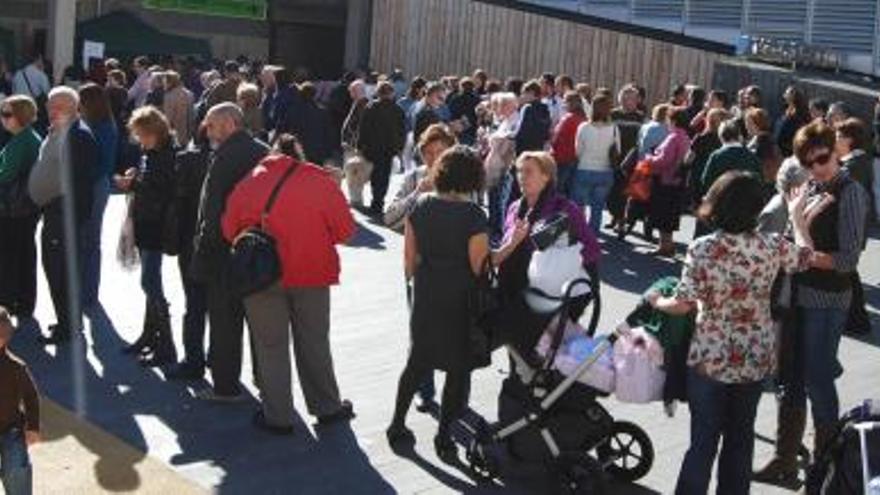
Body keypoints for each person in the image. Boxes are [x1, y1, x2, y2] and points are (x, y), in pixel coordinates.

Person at [651, 170, 815, 495]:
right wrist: (797, 217)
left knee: (703, 442)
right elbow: (805, 256)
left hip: (710, 355)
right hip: (755, 352)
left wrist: (656, 300)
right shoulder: (771, 246)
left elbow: (683, 304)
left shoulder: (702, 248)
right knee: (741, 438)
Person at [222, 141, 356, 434]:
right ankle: (327, 407)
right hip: (312, 271)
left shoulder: (249, 181)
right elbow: (346, 230)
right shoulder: (319, 181)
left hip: (262, 277)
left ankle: (278, 416)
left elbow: (229, 229)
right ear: (299, 156)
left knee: (270, 346)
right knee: (314, 341)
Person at [386, 145, 489, 462]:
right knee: (456, 370)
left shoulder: (420, 206)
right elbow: (478, 267)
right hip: (459, 299)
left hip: (427, 294)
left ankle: (396, 424)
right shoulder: (474, 215)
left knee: (417, 362)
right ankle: (444, 437)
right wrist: (508, 247)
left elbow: (409, 261)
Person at [791, 122, 870, 465]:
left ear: (836, 151)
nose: (816, 167)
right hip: (798, 294)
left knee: (819, 377)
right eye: (808, 163)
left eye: (821, 158)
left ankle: (828, 454)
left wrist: (799, 236)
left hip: (827, 299)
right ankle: (814, 446)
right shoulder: (811, 185)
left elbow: (847, 260)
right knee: (806, 373)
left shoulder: (850, 192)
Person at [191, 103, 268, 401]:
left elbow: (212, 210)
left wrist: (204, 251)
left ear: (229, 124)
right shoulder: (262, 149)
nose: (206, 130)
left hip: (225, 252)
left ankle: (225, 387)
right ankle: (266, 379)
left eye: (211, 125)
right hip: (260, 250)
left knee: (224, 323)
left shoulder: (224, 157)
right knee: (260, 323)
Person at [492, 151, 600, 355]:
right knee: (516, 344)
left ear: (546, 176)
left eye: (529, 171)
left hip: (556, 294)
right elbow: (507, 244)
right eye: (519, 171)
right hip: (517, 288)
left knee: (542, 350)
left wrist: (556, 261)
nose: (522, 177)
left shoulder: (565, 208)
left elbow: (592, 251)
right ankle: (519, 376)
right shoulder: (515, 207)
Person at [751, 158, 812, 486]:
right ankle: (787, 448)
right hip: (787, 301)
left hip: (785, 303)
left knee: (786, 379)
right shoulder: (781, 209)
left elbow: (764, 257)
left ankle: (785, 454)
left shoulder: (780, 208)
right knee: (789, 379)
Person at [28, 87, 96, 345]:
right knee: (55, 269)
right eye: (49, 106)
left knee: (60, 271)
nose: (50, 111)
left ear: (73, 108)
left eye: (57, 107)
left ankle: (68, 327)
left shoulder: (78, 136)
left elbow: (79, 183)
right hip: (54, 212)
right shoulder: (61, 129)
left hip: (63, 215)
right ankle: (66, 321)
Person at [115, 106, 177, 367]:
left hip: (156, 226)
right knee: (150, 282)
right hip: (147, 224)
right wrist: (135, 175)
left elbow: (160, 191)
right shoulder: (152, 152)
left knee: (150, 283)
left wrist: (134, 183)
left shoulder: (166, 154)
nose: (139, 139)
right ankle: (150, 336)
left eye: (143, 134)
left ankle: (166, 345)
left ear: (155, 131)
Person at [166, 130, 211, 381]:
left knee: (193, 304)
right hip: (219, 241)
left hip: (190, 241)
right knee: (218, 307)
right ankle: (216, 356)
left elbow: (177, 200)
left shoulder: (185, 160)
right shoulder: (227, 159)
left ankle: (193, 360)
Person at [77, 84, 119, 311]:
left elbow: (101, 163)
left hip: (94, 185)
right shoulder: (105, 124)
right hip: (97, 185)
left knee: (90, 240)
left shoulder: (100, 127)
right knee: (89, 240)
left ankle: (88, 293)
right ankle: (87, 291)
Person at [0, 96, 42, 319]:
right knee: (24, 254)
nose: (2, 119)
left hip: (13, 209)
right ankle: (23, 302)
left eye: (7, 115)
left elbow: (5, 175)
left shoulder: (22, 140)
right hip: (23, 208)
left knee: (10, 256)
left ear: (21, 116)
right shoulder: (25, 137)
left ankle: (7, 302)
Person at [834, 118, 874, 336]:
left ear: (849, 140)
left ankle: (858, 320)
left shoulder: (853, 166)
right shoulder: (857, 162)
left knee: (848, 272)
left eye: (838, 137)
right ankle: (857, 319)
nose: (835, 140)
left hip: (851, 225)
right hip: (855, 225)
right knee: (850, 273)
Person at [385, 123, 457, 233]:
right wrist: (417, 193)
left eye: (440, 152)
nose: (435, 158)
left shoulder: (461, 179)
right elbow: (390, 220)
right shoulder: (413, 177)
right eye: (429, 152)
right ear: (422, 154)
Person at [0, 308, 41, 495]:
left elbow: (31, 396)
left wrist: (33, 427)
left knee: (16, 471)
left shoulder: (15, 367)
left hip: (11, 430)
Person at [645, 106, 691, 256]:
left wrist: (649, 159)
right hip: (678, 180)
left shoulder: (673, 137)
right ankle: (668, 245)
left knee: (662, 214)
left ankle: (664, 246)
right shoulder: (685, 136)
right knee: (671, 215)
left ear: (673, 120)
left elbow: (664, 161)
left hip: (666, 179)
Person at [573, 94, 620, 234]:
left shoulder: (584, 127)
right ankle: (592, 235)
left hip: (585, 168)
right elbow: (618, 150)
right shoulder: (614, 128)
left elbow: (578, 151)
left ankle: (579, 233)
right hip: (605, 171)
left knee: (579, 205)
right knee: (597, 207)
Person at [358, 81, 406, 216]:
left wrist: (361, 146)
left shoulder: (371, 107)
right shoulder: (397, 110)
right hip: (389, 148)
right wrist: (399, 148)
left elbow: (363, 129)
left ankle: (376, 201)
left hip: (373, 147)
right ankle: (380, 201)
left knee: (375, 174)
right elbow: (402, 131)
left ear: (378, 92)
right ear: (391, 93)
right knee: (384, 175)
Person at [550, 91, 587, 198]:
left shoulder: (567, 118)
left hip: (561, 159)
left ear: (570, 103)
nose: (563, 104)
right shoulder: (583, 119)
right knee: (572, 192)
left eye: (565, 101)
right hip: (575, 159)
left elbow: (556, 139)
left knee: (558, 191)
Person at [745, 108, 782, 201]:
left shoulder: (762, 141)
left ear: (756, 124)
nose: (746, 126)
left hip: (764, 187)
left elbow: (762, 164)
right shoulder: (766, 138)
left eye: (748, 123)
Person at [297, 82, 334, 166]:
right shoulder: (322, 111)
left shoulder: (296, 111)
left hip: (301, 151)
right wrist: (328, 152)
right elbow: (328, 133)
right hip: (318, 152)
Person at [776, 86, 810, 158]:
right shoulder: (786, 110)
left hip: (788, 151)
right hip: (779, 148)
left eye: (787, 94)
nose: (784, 95)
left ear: (793, 97)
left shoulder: (800, 115)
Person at [162, 71, 194, 147]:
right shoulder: (188, 93)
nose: (164, 83)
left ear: (169, 81)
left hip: (174, 133)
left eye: (165, 81)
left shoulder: (169, 96)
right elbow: (191, 113)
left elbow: (168, 116)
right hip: (186, 131)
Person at [447, 77, 481, 146]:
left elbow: (450, 113)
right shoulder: (477, 99)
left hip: (459, 129)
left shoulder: (455, 98)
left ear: (461, 87)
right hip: (473, 129)